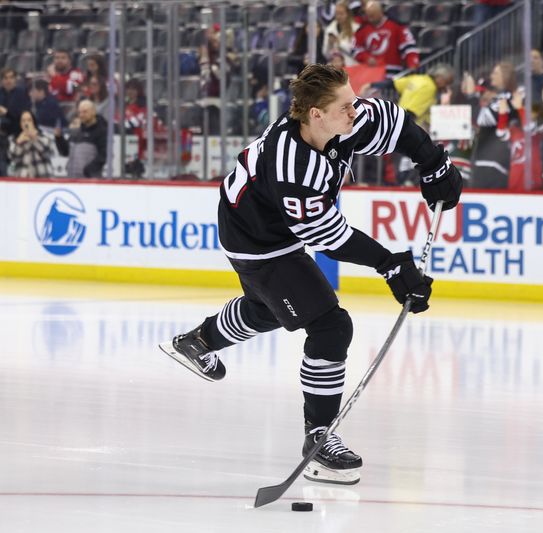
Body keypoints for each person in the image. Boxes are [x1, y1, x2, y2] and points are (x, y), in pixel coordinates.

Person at [158, 64, 462, 485]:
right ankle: (318, 438)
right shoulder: (293, 166)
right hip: (255, 237)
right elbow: (329, 236)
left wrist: (434, 164)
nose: (355, 110)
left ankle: (199, 341)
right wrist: (391, 265)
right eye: (345, 105)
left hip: (265, 222)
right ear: (315, 114)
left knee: (272, 309)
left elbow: (396, 124)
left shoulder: (344, 119)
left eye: (353, 100)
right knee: (330, 326)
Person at [462, 61, 519, 189]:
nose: (492, 76)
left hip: (493, 164)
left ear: (505, 76)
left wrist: (472, 95)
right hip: (487, 162)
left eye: (495, 73)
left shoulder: (507, 99)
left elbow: (481, 119)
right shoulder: (502, 98)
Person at [353, 1, 419, 77]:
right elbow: (355, 49)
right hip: (370, 73)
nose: (370, 19)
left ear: (381, 12)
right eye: (368, 16)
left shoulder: (396, 26)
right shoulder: (362, 30)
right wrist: (366, 58)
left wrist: (413, 63)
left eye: (373, 15)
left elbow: (409, 48)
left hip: (393, 72)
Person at [54, 99, 108, 178]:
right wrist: (59, 138)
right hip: (72, 179)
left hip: (90, 181)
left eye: (85, 112)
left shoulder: (101, 132)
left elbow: (103, 156)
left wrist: (88, 170)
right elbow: (65, 152)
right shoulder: (77, 132)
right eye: (79, 112)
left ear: (93, 112)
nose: (81, 115)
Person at [7, 110, 54, 178]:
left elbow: (48, 154)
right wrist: (18, 143)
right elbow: (13, 158)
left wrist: (35, 139)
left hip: (43, 179)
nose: (26, 123)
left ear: (34, 122)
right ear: (20, 123)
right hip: (22, 181)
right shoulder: (14, 139)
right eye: (23, 121)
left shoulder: (45, 136)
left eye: (29, 120)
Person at [323, 1, 360, 66]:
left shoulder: (356, 29)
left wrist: (339, 43)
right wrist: (330, 44)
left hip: (351, 66)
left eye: (341, 14)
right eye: (337, 14)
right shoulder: (330, 29)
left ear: (347, 14)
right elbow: (326, 54)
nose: (339, 16)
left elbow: (356, 53)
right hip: (335, 69)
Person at [0, 68, 31, 138]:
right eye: (5, 78)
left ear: (15, 79)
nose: (8, 81)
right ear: (2, 80)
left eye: (11, 78)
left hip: (16, 128)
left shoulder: (22, 93)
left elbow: (23, 115)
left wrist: (6, 112)